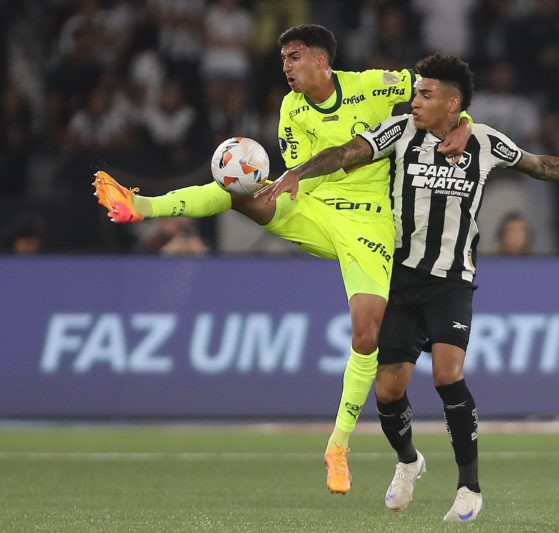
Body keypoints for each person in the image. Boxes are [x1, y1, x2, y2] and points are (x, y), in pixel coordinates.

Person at [257, 53, 559, 521]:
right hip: (399, 277)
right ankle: (408, 461)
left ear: (453, 103)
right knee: (387, 391)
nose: (415, 100)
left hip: (451, 279)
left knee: (448, 375)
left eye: (425, 95)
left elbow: (541, 165)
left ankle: (469, 487)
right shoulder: (400, 132)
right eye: (416, 92)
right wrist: (295, 173)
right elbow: (346, 153)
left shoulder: (484, 141)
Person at [92, 24, 472, 494]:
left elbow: (441, 94)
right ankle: (141, 205)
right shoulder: (291, 109)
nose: (287, 67)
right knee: (239, 190)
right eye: (283, 59)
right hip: (310, 204)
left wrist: (467, 123)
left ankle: (338, 446)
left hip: (369, 221)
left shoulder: (373, 84)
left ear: (321, 60)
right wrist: (283, 188)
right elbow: (302, 172)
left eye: (294, 57)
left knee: (367, 335)